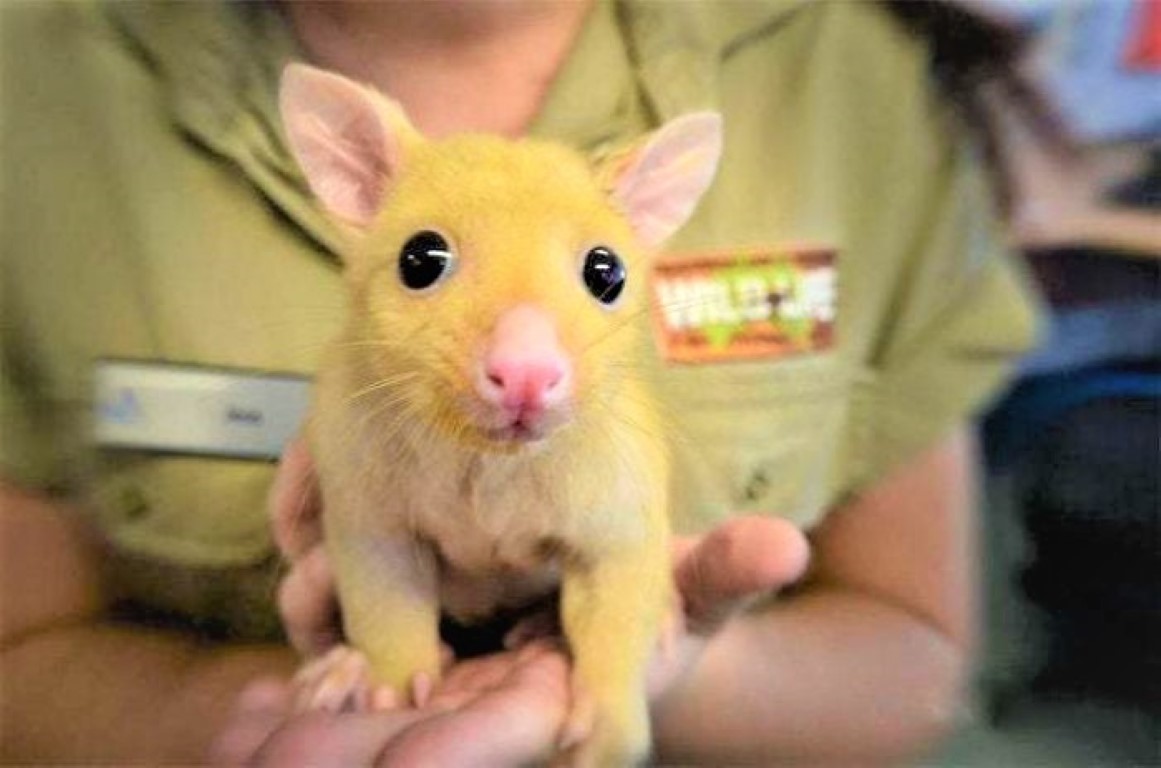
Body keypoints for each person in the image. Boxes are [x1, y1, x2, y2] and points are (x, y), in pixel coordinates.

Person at [0, 1, 1041, 764]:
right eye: (424, 265)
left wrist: (647, 678)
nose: (525, 373)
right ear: (353, 185)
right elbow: (24, 660)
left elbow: (914, 651)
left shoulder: (852, 70)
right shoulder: (37, 79)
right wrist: (278, 702)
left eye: (599, 275)